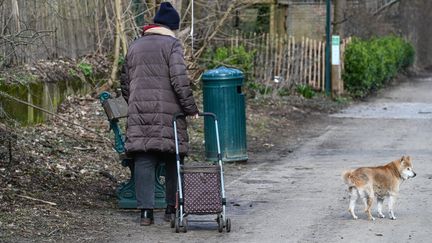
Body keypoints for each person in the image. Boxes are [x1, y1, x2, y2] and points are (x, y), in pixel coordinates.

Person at [120, 2, 199, 226]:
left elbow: (124, 82)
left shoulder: (135, 45)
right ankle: (171, 209)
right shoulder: (172, 45)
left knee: (144, 158)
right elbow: (179, 80)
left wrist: (135, 102)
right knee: (173, 158)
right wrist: (190, 108)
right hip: (169, 114)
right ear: (171, 27)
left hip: (140, 113)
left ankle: (146, 213)